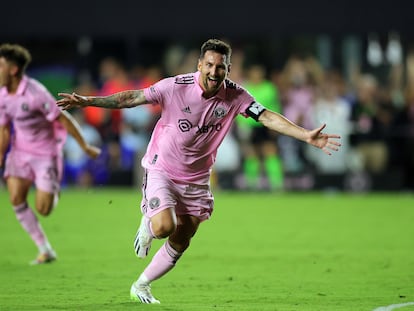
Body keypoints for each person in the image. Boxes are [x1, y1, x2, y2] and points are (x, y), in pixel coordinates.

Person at [57, 38, 341, 304]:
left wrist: (305, 135)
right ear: (199, 65)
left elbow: (265, 116)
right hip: (163, 168)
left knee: (183, 237)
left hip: (196, 179)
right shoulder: (175, 86)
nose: (215, 71)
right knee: (164, 226)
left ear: (228, 68)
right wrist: (88, 101)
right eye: (210, 65)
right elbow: (131, 98)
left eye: (221, 66)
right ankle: (148, 219)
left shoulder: (236, 95)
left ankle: (141, 285)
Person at [0, 43, 101, 265]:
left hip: (45, 153)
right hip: (20, 151)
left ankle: (52, 187)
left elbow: (63, 118)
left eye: (1, 66)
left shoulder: (36, 93)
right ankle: (44, 249)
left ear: (14, 70)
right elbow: (4, 128)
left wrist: (84, 146)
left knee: (43, 209)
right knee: (16, 198)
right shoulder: (3, 96)